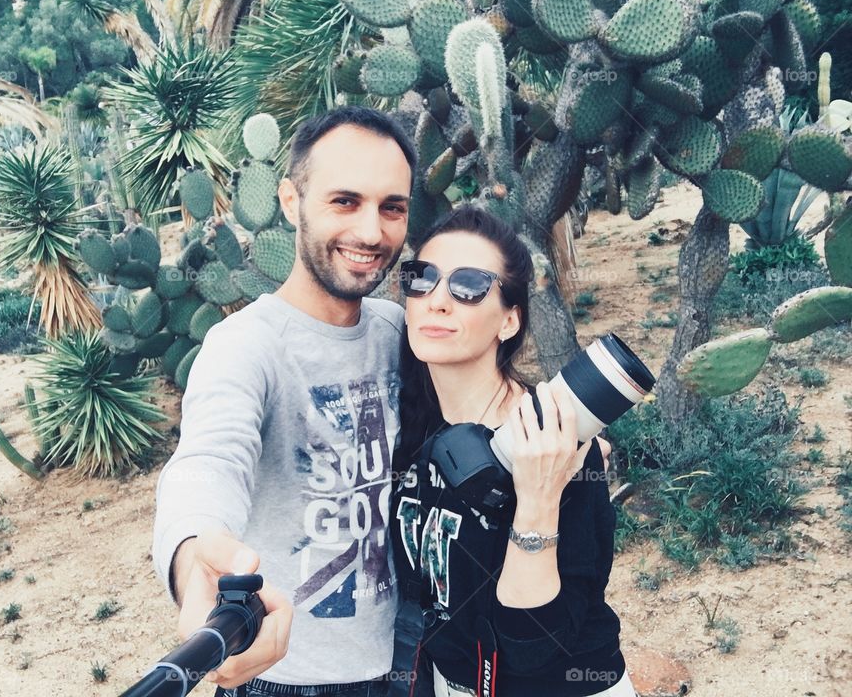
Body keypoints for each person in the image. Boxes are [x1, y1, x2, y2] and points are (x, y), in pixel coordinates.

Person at [151, 105, 416, 696]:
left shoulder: (397, 330)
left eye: (391, 207)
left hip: (402, 654)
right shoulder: (244, 345)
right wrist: (195, 556)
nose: (372, 232)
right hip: (283, 675)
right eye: (344, 201)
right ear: (292, 202)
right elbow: (207, 461)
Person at [389, 204, 635, 696]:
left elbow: (534, 645)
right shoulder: (416, 423)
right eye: (423, 278)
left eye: (469, 287)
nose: (438, 301)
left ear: (508, 322)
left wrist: (538, 501)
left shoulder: (553, 445)